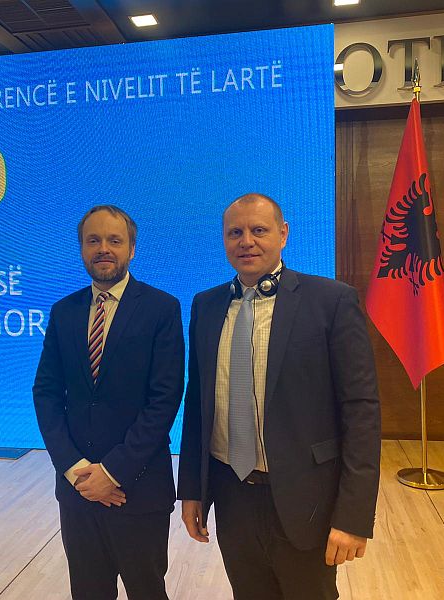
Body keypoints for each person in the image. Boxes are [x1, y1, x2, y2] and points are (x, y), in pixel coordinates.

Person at [178, 193, 380, 600]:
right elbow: (198, 405)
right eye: (235, 232)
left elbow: (361, 411)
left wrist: (354, 515)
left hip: (306, 499)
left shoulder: (331, 301)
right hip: (232, 495)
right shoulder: (206, 306)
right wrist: (192, 490)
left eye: (259, 230)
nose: (246, 241)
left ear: (283, 234)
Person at [33, 205, 184, 600]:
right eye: (93, 240)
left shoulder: (161, 309)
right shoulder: (63, 312)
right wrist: (76, 470)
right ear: (82, 248)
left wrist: (113, 472)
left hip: (139, 488)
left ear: (131, 249)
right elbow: (46, 393)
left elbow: (164, 399)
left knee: (147, 592)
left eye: (114, 240)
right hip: (78, 492)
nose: (103, 248)